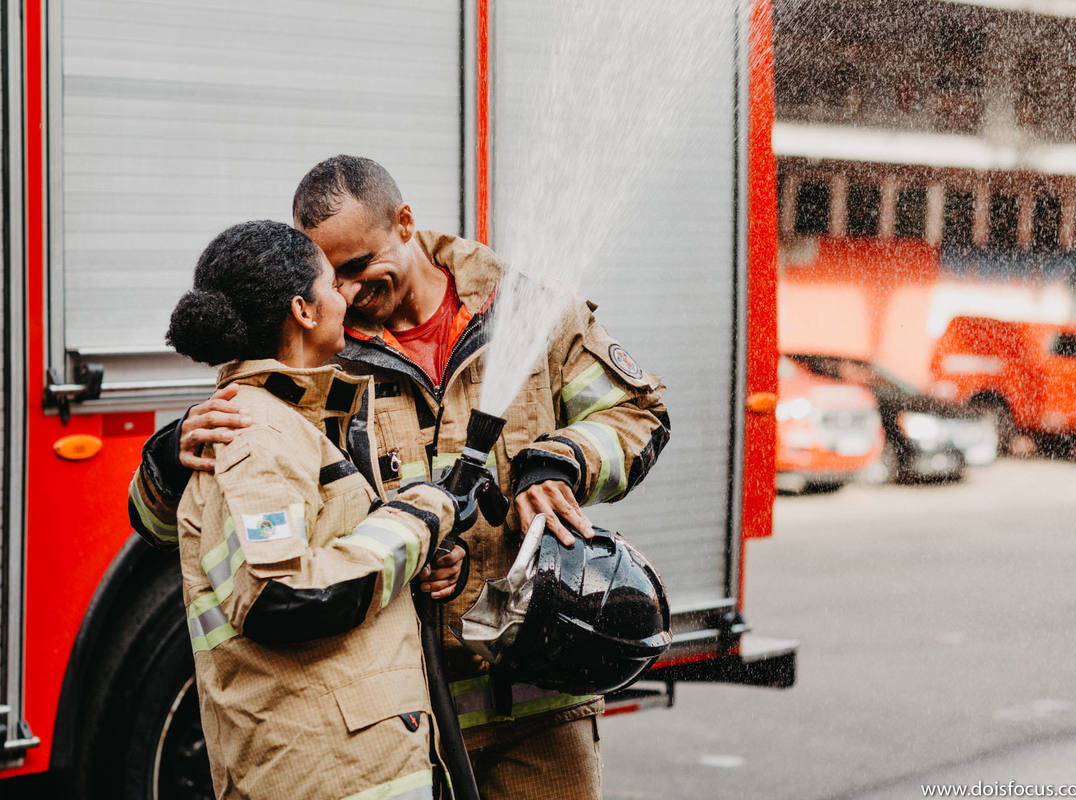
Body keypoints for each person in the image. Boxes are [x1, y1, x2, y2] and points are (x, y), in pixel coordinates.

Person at [130, 157, 671, 799]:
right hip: (400, 716)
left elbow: (638, 413)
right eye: (332, 274)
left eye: (360, 265)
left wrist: (562, 460)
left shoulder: (526, 308)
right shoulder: (315, 353)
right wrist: (171, 459)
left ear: (405, 223)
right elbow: (190, 524)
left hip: (537, 695)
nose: (349, 291)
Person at [161, 218, 467, 799]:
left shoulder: (286, 421)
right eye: (331, 283)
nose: (346, 296)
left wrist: (421, 555)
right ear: (303, 310)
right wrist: (419, 518)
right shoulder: (258, 434)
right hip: (328, 773)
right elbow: (282, 595)